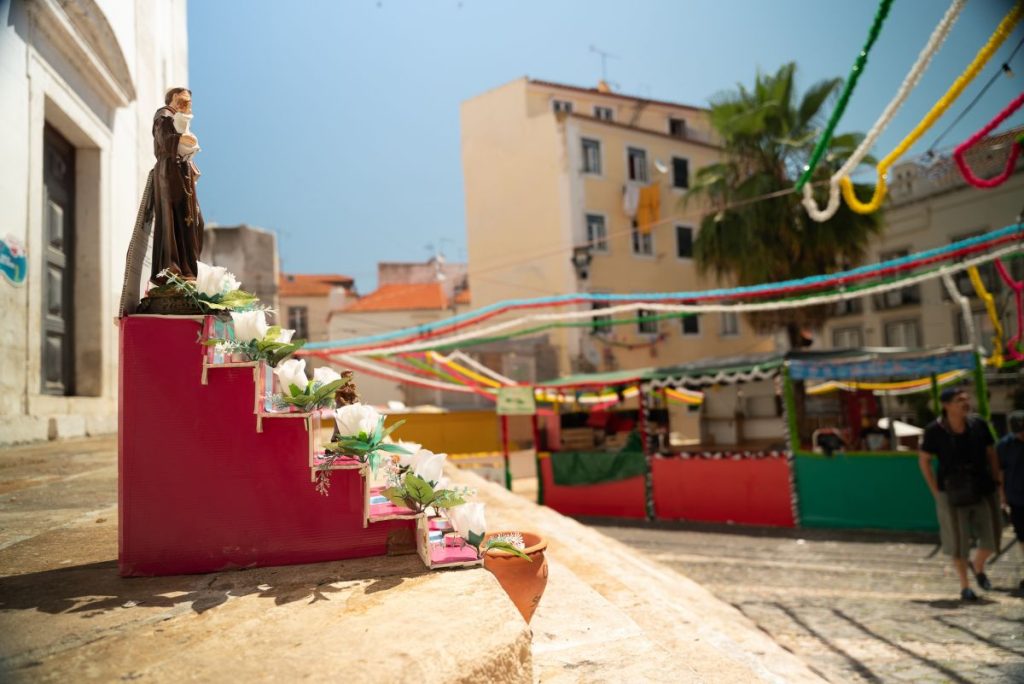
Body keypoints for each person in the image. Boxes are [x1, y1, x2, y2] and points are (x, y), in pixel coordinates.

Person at [918, 387, 1004, 601]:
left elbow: (991, 453)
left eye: (966, 398)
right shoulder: (935, 430)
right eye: (959, 400)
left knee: (993, 537)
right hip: (952, 492)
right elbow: (924, 460)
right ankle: (965, 586)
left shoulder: (978, 424)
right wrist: (935, 491)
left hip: (983, 487)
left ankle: (978, 565)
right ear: (946, 405)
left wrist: (997, 482)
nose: (965, 403)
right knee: (958, 542)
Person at [150, 87, 204, 282]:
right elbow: (163, 141)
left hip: (183, 172)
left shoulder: (180, 117)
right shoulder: (164, 115)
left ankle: (190, 267)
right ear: (173, 98)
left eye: (189, 102)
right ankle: (174, 268)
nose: (187, 105)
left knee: (195, 221)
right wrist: (180, 138)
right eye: (183, 100)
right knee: (173, 219)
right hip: (169, 171)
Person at [997, 410, 1024, 591]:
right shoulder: (1005, 445)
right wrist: (1002, 496)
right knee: (1022, 536)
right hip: (1017, 498)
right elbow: (1000, 471)